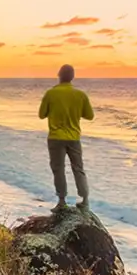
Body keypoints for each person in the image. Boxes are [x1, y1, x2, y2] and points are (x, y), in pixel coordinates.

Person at [38, 64, 94, 211]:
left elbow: (41, 114)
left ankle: (62, 201)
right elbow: (89, 115)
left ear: (59, 75)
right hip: (74, 137)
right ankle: (85, 200)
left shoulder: (51, 94)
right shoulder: (80, 95)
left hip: (56, 137)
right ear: (72, 77)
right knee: (78, 168)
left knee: (58, 169)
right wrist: (74, 111)